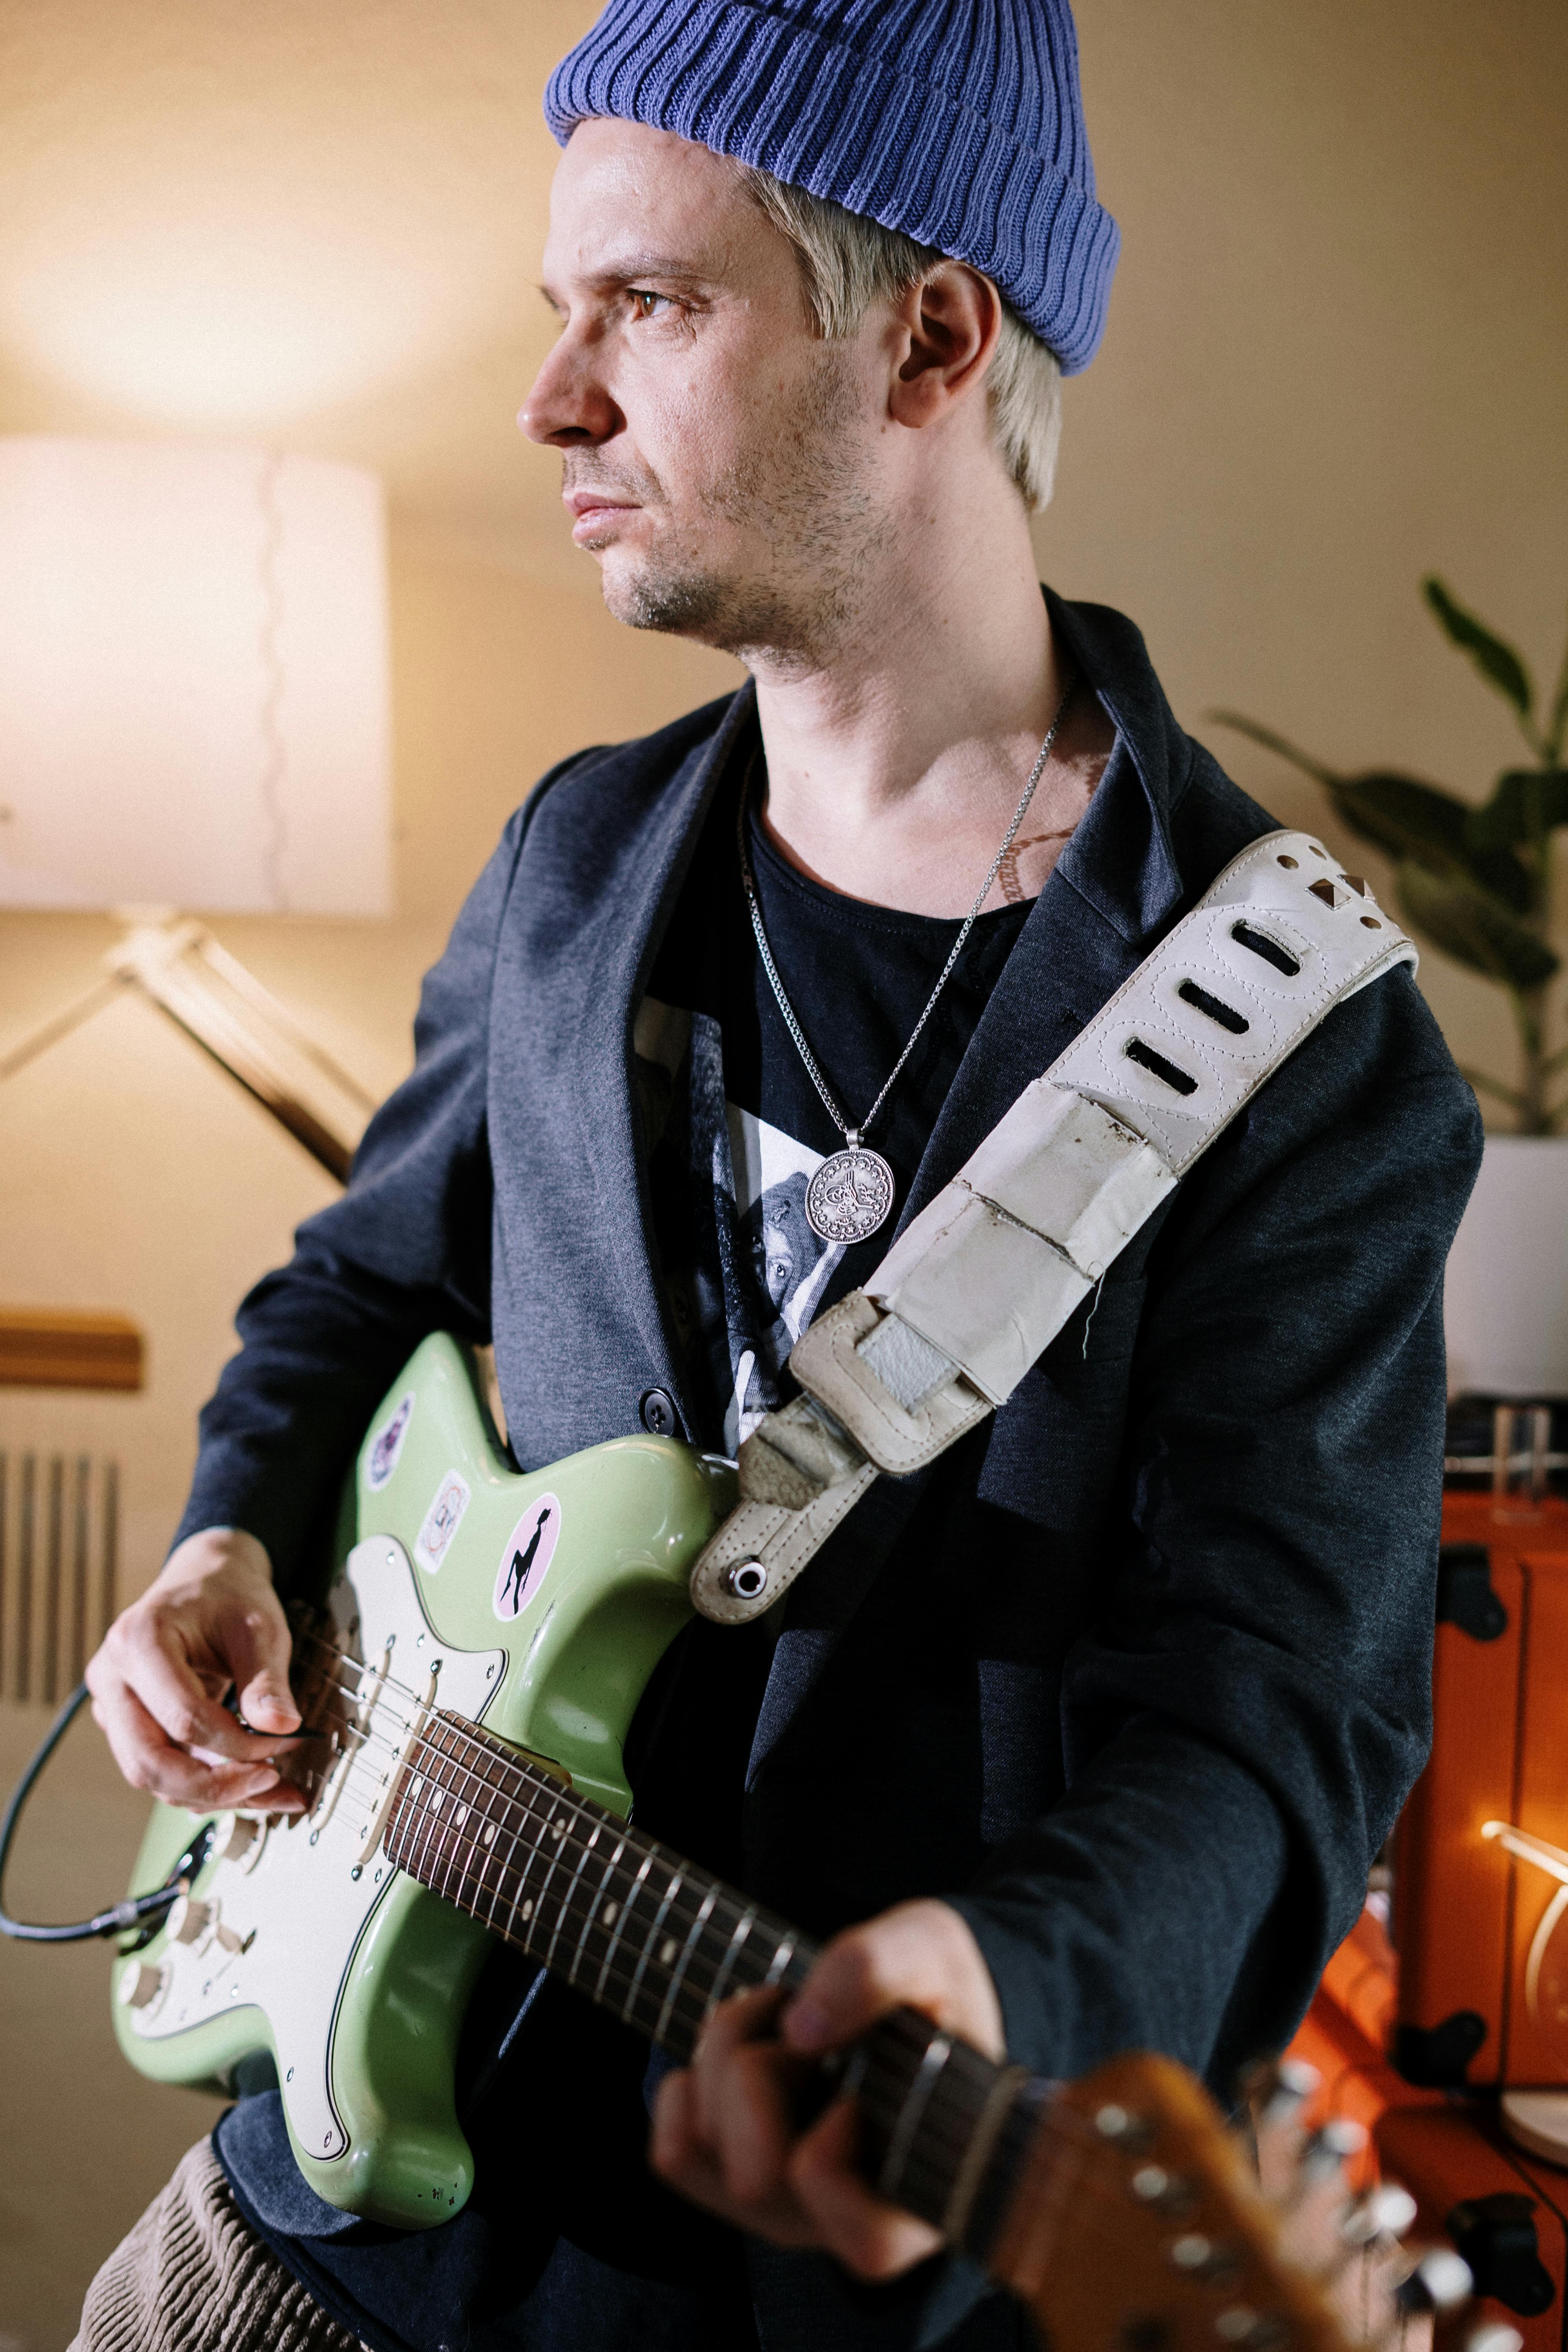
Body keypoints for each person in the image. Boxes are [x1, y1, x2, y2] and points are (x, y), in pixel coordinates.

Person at [75, 2, 1482, 2348]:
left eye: (649, 302)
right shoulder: (574, 866)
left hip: (811, 2291)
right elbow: (351, 1294)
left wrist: (992, 1978)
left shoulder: (1300, 1054)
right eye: (566, 311)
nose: (553, 398)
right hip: (321, 2223)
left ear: (929, 337)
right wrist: (232, 1523)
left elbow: (1279, 1727)